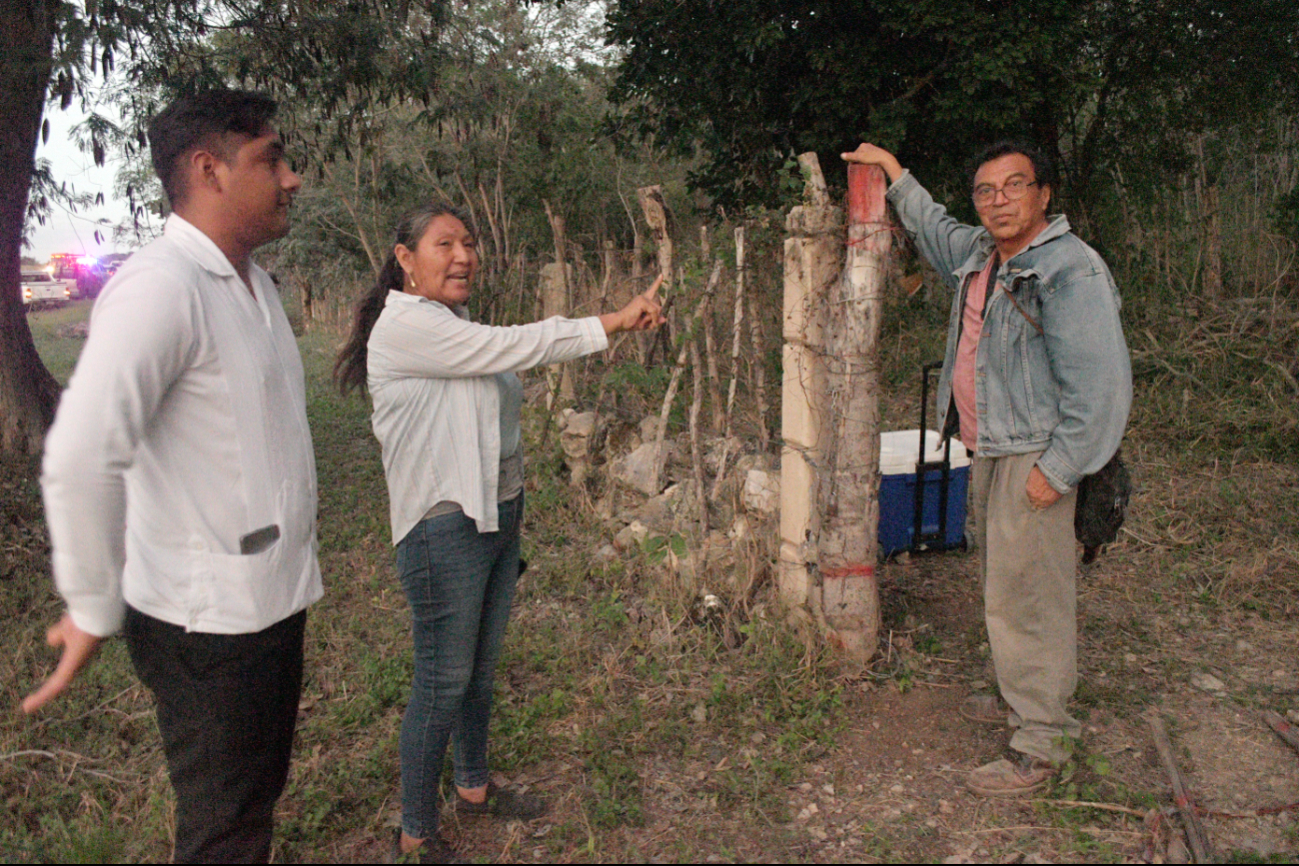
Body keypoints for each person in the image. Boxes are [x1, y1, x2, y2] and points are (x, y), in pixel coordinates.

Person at [24, 89, 319, 862]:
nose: (290, 179)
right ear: (207, 169)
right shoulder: (162, 287)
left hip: (266, 604)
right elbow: (84, 451)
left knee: (250, 806)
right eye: (271, 160)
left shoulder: (247, 280)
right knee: (224, 829)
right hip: (207, 627)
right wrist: (91, 602)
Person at [334, 202, 664, 862]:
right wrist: (614, 320)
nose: (463, 255)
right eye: (444, 244)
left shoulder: (448, 320)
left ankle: (474, 788)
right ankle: (415, 830)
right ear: (405, 259)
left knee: (478, 676)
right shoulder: (408, 329)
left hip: (493, 514)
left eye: (469, 242)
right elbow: (522, 345)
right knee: (442, 683)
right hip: (442, 530)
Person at [842, 141, 1131, 797]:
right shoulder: (981, 255)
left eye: (1013, 186)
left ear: (1043, 195)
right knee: (1005, 580)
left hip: (1034, 451)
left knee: (1029, 595)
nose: (998, 201)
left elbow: (1102, 389)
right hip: (991, 444)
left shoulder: (1067, 270)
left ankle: (1041, 742)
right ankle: (1019, 696)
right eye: (986, 191)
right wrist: (893, 173)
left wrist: (1057, 470)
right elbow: (935, 230)